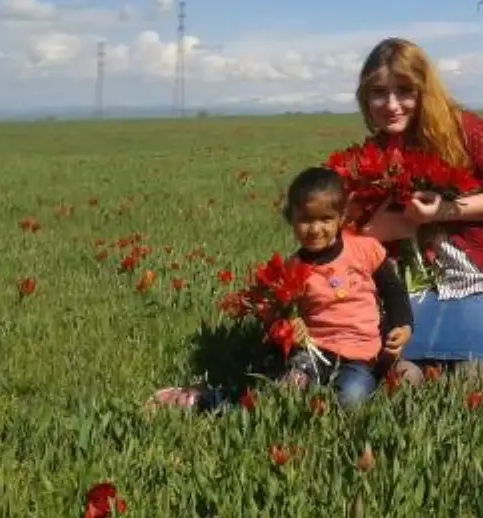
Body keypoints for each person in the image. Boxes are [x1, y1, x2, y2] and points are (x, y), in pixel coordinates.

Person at [149, 166, 413, 410]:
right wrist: (288, 330)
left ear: (341, 218)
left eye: (326, 219)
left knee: (351, 399)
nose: (315, 229)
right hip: (313, 354)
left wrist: (402, 325)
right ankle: (208, 399)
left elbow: (394, 292)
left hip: (360, 358)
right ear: (292, 219)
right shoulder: (293, 268)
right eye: (306, 220)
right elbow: (277, 320)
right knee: (283, 396)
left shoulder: (363, 249)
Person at [355, 37, 483, 375]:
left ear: (424, 90)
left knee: (474, 374)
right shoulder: (372, 153)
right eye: (379, 93)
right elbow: (353, 228)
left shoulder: (465, 130)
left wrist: (445, 211)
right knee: (401, 372)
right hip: (422, 285)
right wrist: (372, 233)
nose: (391, 104)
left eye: (404, 91)